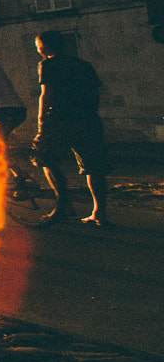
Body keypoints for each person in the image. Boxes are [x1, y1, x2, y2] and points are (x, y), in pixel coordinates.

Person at [35, 31, 108, 224]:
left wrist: (42, 121)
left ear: (45, 46)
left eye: (38, 45)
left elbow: (46, 94)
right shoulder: (83, 64)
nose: (37, 48)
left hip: (60, 120)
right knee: (94, 167)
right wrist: (90, 113)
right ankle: (99, 213)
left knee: (46, 159)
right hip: (88, 120)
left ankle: (65, 206)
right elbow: (95, 93)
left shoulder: (47, 64)